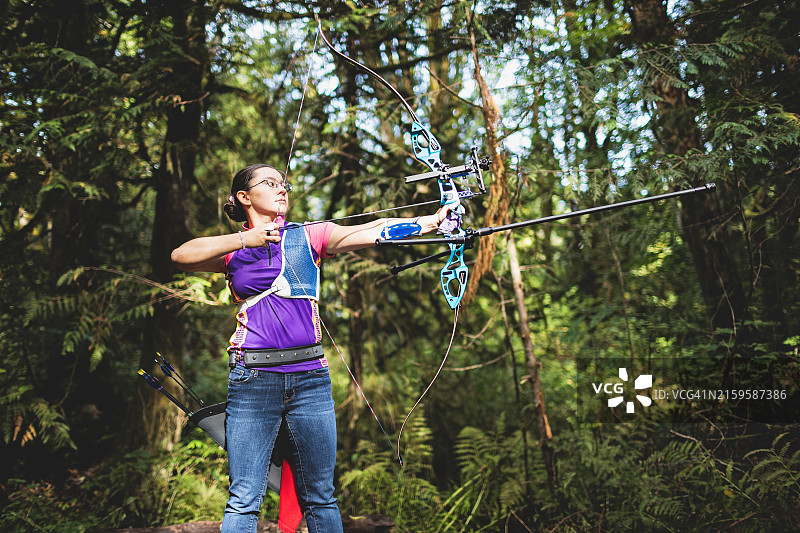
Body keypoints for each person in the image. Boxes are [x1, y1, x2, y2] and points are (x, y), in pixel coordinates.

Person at [170, 163, 451, 533]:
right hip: (254, 378)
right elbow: (180, 255)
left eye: (283, 183)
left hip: (310, 379)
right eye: (270, 183)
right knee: (244, 498)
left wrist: (432, 222)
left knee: (320, 496)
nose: (281, 189)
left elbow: (371, 231)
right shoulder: (232, 251)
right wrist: (246, 239)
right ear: (244, 196)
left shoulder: (310, 236)